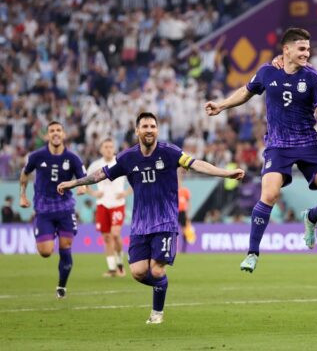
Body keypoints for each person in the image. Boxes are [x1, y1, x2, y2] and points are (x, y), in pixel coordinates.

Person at [57, 112, 244, 324]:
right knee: (138, 272)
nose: (149, 130)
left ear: (157, 130)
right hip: (140, 224)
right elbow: (100, 174)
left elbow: (196, 164)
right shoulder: (128, 158)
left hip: (165, 221)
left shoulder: (170, 152)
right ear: (137, 130)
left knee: (156, 269)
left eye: (153, 126)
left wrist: (225, 173)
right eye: (145, 126)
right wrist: (74, 183)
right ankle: (161, 285)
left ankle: (157, 312)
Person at [204, 28, 317, 273]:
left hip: (308, 144)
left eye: (308, 49)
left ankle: (312, 217)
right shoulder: (267, 71)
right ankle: (252, 253)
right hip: (277, 146)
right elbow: (245, 92)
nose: (307, 53)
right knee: (269, 195)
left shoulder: (314, 77)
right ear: (287, 50)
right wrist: (221, 105)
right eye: (302, 49)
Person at [19, 121, 87, 299]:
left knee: (66, 246)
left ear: (64, 134)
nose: (55, 133)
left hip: (65, 209)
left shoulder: (73, 158)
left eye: (58, 130)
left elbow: (83, 178)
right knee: (45, 252)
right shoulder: (36, 156)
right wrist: (22, 195)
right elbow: (25, 173)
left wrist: (82, 187)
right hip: (43, 210)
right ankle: (50, 234)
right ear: (47, 135)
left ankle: (61, 287)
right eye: (52, 131)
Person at [87, 138, 131, 277]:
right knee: (106, 237)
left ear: (114, 148)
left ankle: (120, 264)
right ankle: (112, 269)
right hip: (102, 204)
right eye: (105, 146)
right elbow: (85, 181)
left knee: (116, 234)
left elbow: (136, 180)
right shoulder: (95, 165)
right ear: (101, 149)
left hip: (118, 204)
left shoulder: (121, 162)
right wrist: (93, 193)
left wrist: (126, 192)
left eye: (111, 146)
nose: (108, 149)